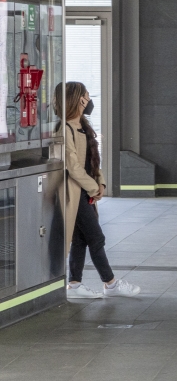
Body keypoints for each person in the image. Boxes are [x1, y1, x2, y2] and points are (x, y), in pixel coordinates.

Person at [56, 82, 141, 298]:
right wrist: (94, 188)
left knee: (81, 238)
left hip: (87, 190)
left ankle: (74, 284)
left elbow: (93, 161)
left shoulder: (83, 126)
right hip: (76, 192)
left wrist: (100, 183)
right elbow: (73, 167)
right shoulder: (65, 129)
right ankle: (110, 283)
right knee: (96, 237)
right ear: (78, 100)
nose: (89, 99)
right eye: (85, 95)